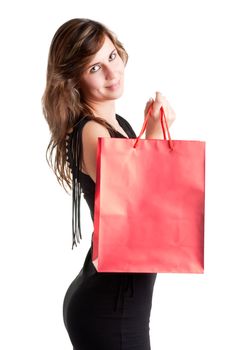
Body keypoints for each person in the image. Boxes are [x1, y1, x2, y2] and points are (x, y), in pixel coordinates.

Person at [41, 18, 176, 350]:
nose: (112, 73)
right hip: (110, 309)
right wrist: (157, 137)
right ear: (74, 80)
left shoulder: (118, 123)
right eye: (94, 68)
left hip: (118, 301)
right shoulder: (93, 133)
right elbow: (138, 210)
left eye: (112, 56)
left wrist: (149, 136)